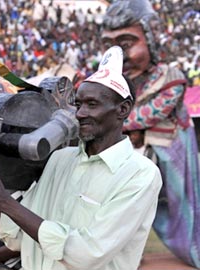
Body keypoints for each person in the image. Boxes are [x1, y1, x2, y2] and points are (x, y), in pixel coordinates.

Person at [0, 46, 162, 270]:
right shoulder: (60, 159)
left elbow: (87, 254)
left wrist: (2, 201)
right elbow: (17, 236)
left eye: (92, 105)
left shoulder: (140, 174)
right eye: (78, 104)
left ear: (123, 109)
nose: (80, 113)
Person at [101, 0, 200, 267]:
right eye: (109, 47)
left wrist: (110, 122)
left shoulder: (171, 76)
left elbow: (147, 114)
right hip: (135, 157)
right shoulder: (117, 84)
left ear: (152, 38)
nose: (120, 56)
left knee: (183, 211)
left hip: (170, 154)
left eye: (126, 43)